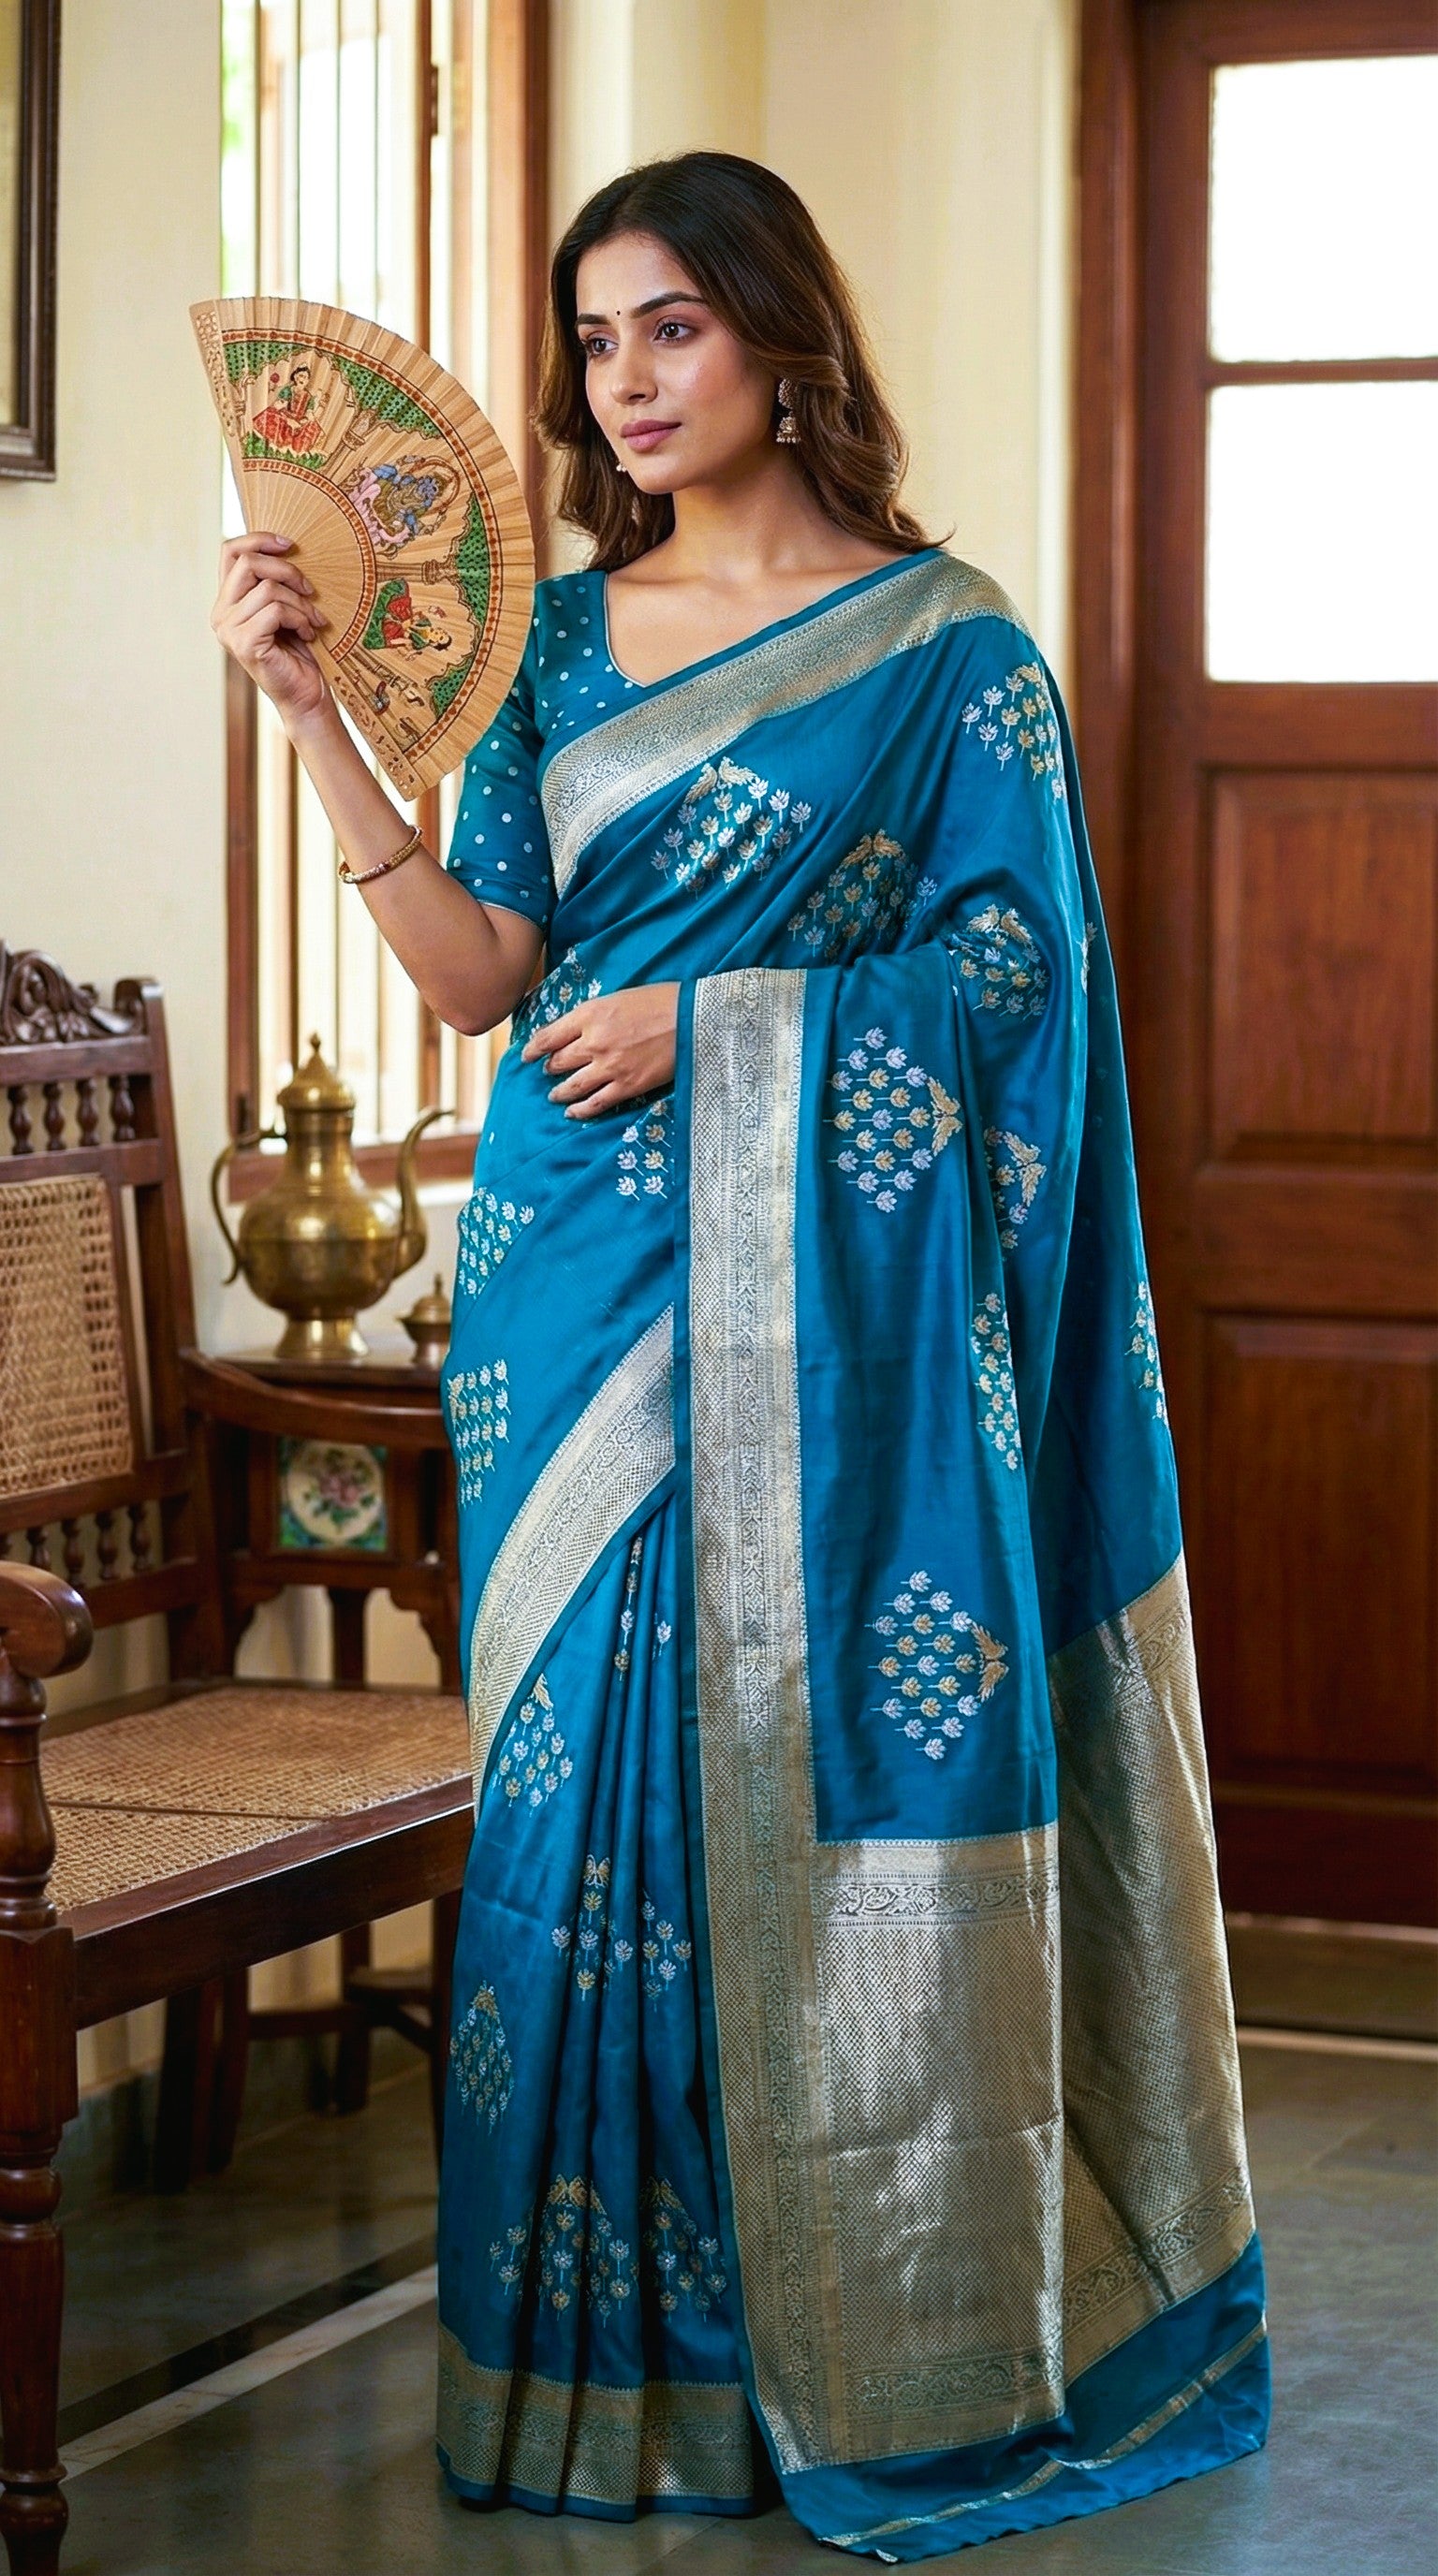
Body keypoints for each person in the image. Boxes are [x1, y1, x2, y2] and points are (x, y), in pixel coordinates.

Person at [212, 148, 1269, 2566]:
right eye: (595, 341)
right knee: (573, 1814)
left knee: (796, 1770)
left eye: (671, 326)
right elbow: (481, 980)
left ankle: (861, 2350)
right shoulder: (556, 650)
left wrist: (723, 1028)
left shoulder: (948, 653)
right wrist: (310, 718)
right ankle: (603, 2379)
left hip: (830, 1302)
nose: (626, 381)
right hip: (571, 1293)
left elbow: (1017, 985)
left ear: (783, 337)